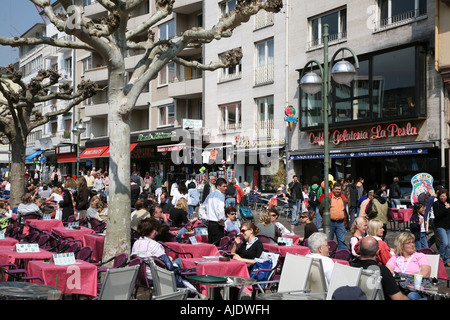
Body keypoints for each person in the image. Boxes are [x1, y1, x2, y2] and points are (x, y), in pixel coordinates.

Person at [131, 218, 195, 292]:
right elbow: (169, 266)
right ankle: (193, 290)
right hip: (157, 277)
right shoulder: (153, 245)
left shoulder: (136, 243)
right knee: (181, 263)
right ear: (151, 231)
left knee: (178, 262)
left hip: (142, 277)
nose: (156, 232)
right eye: (155, 229)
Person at [386, 232, 431, 300]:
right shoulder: (395, 257)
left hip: (414, 289)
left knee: (412, 296)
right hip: (398, 288)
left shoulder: (419, 256)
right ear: (401, 245)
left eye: (413, 242)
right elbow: (387, 272)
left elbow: (425, 273)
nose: (412, 245)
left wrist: (404, 278)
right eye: (408, 243)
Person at [319, 182, 348, 250]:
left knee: (342, 241)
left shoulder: (343, 199)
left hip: (340, 223)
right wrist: (325, 218)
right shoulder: (327, 198)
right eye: (336, 189)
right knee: (329, 241)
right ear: (333, 189)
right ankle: (329, 254)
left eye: (339, 189)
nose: (337, 191)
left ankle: (343, 255)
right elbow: (321, 209)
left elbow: (346, 211)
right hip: (330, 222)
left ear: (341, 190)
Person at [201, 177, 227, 245]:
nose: (225, 188)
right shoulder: (221, 196)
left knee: (211, 244)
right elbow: (220, 210)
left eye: (226, 186)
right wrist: (222, 220)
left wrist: (206, 217)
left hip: (210, 223)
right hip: (217, 224)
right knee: (218, 245)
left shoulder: (210, 195)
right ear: (218, 187)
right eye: (224, 186)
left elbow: (202, 208)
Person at [432, 188, 450, 266]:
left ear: (447, 196)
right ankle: (440, 259)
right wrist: (446, 209)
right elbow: (438, 215)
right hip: (440, 225)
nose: (442, 198)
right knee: (445, 243)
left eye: (444, 196)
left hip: (449, 226)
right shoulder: (436, 204)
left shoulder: (449, 203)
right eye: (441, 196)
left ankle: (447, 260)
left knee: (449, 244)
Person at [425, 185, 444, 251]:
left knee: (437, 235)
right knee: (438, 237)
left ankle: (427, 245)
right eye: (442, 191)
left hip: (440, 219)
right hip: (434, 219)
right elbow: (427, 210)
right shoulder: (431, 199)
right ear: (437, 191)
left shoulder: (441, 199)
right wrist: (425, 220)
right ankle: (441, 254)